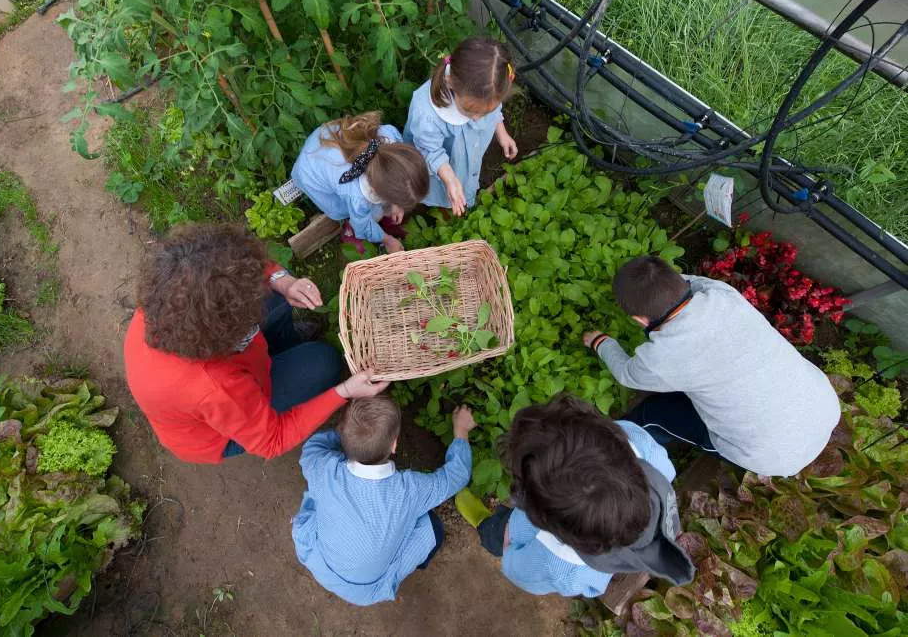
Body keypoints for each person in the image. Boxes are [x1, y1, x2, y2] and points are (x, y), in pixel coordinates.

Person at [123, 223, 388, 463]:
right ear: (227, 333)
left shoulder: (173, 295)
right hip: (219, 427)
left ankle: (286, 346)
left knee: (277, 299)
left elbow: (240, 266)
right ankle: (290, 362)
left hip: (231, 365)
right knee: (325, 362)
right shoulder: (216, 388)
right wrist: (345, 392)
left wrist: (282, 281)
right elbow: (273, 440)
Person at [583, 255, 840, 477]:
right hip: (821, 405)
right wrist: (657, 289)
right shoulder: (722, 294)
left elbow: (627, 373)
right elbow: (688, 283)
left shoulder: (663, 356)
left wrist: (601, 342)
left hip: (773, 454)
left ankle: (615, 454)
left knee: (654, 415)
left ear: (639, 319)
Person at [470, 394, 694, 597]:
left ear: (540, 515)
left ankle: (485, 527)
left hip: (520, 535)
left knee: (496, 534)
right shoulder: (642, 447)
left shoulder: (559, 567)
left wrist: (508, 551)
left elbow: (520, 571)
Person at [292, 396, 476, 606]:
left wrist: (345, 435)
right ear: (395, 444)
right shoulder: (409, 490)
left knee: (320, 498)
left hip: (319, 560)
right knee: (433, 527)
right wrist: (461, 431)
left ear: (343, 435)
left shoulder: (325, 468)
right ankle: (417, 559)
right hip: (365, 590)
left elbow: (311, 449)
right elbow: (457, 476)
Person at [403, 37, 518, 216]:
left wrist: (502, 133)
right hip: (441, 168)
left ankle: (457, 198)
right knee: (444, 192)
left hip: (463, 160)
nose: (477, 119)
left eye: (486, 113)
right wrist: (449, 179)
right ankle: (443, 209)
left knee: (460, 180)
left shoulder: (487, 92)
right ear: (451, 83)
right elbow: (430, 151)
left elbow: (494, 111)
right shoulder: (427, 114)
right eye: (470, 111)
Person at [292, 111, 429, 253]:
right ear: (379, 190)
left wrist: (396, 204)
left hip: (324, 140)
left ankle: (378, 217)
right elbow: (362, 224)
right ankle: (350, 231)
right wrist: (387, 239)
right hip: (310, 173)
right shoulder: (356, 195)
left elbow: (396, 176)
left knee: (370, 210)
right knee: (349, 212)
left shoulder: (388, 140)